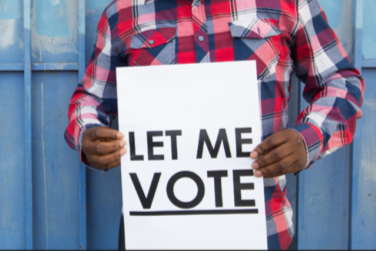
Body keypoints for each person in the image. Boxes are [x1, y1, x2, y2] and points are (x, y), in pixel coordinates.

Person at [64, 0, 364, 250]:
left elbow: (341, 83)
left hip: (263, 232)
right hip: (152, 234)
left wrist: (306, 140)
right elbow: (90, 100)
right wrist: (88, 134)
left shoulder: (289, 3)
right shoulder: (123, 13)